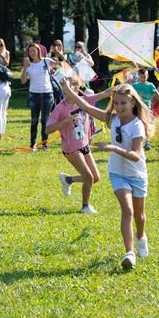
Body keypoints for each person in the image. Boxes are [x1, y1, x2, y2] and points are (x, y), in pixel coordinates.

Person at [61, 79, 154, 270]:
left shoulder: (137, 126)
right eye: (116, 103)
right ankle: (129, 253)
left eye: (123, 103)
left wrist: (113, 147)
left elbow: (136, 155)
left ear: (133, 103)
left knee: (140, 216)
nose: (119, 107)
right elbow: (85, 105)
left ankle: (141, 237)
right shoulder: (113, 119)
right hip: (117, 172)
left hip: (136, 174)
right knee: (126, 210)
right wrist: (68, 90)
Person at [48, 75, 112, 214]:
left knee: (95, 178)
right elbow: (48, 129)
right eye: (63, 90)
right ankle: (85, 206)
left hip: (84, 144)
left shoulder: (83, 101)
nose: (65, 92)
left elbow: (105, 93)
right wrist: (64, 122)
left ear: (76, 88)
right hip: (71, 147)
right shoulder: (60, 108)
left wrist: (126, 84)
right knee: (88, 177)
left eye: (68, 88)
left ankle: (68, 179)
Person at [21, 43, 58, 150]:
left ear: (38, 51)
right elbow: (23, 81)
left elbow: (59, 64)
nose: (32, 53)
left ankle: (44, 144)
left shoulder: (46, 61)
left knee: (45, 121)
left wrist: (57, 54)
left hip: (47, 94)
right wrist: (24, 68)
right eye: (30, 51)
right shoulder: (28, 65)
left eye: (34, 50)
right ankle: (32, 145)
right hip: (34, 95)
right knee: (34, 120)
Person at [132, 68, 159, 150]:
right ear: (138, 76)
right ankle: (138, 142)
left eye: (144, 77)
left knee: (146, 125)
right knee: (137, 125)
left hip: (147, 109)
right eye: (141, 77)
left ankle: (147, 142)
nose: (143, 79)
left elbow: (157, 94)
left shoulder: (150, 85)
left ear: (147, 76)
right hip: (137, 109)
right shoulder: (135, 86)